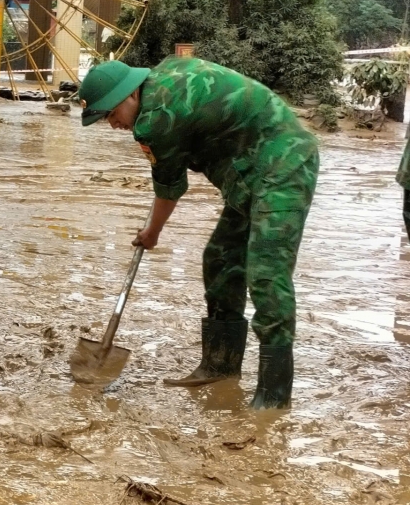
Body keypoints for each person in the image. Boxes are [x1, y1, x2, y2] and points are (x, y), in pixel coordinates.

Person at [79, 57, 318, 409]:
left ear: (130, 95)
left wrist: (152, 233)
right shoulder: (162, 78)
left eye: (111, 114)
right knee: (220, 259)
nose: (112, 124)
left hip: (284, 163)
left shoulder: (155, 120)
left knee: (267, 273)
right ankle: (221, 365)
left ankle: (274, 395)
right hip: (249, 170)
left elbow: (170, 188)